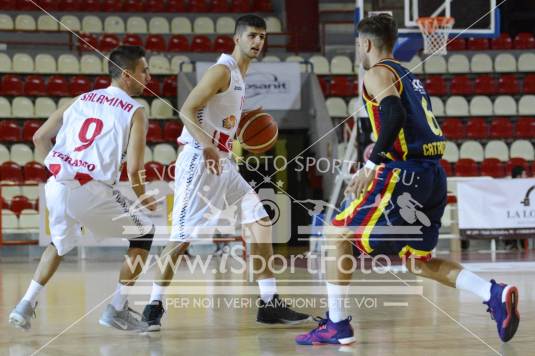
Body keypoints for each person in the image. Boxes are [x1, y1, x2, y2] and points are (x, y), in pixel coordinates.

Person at [296, 14, 519, 345]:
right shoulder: (409, 76)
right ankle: (492, 292)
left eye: (358, 44)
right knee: (417, 262)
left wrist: (371, 165)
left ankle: (337, 324)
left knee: (336, 232)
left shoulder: (376, 73)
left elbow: (395, 114)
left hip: (404, 173)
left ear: (366, 44)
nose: (359, 49)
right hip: (432, 174)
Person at [141, 15, 310, 331]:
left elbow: (219, 116)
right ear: (237, 38)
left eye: (262, 36)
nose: (258, 42)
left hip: (222, 162)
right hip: (198, 159)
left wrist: (240, 126)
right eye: (252, 36)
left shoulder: (240, 76)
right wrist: (207, 145)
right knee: (180, 238)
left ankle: (269, 302)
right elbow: (188, 109)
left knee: (260, 220)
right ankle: (153, 306)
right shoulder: (222, 70)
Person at [9, 45, 157, 331]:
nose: (149, 77)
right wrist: (144, 197)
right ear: (128, 75)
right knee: (145, 234)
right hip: (90, 190)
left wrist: (58, 172)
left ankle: (25, 304)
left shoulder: (80, 98)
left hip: (56, 186)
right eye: (144, 71)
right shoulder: (135, 111)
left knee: (59, 245)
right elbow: (135, 169)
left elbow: (40, 138)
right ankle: (116, 309)